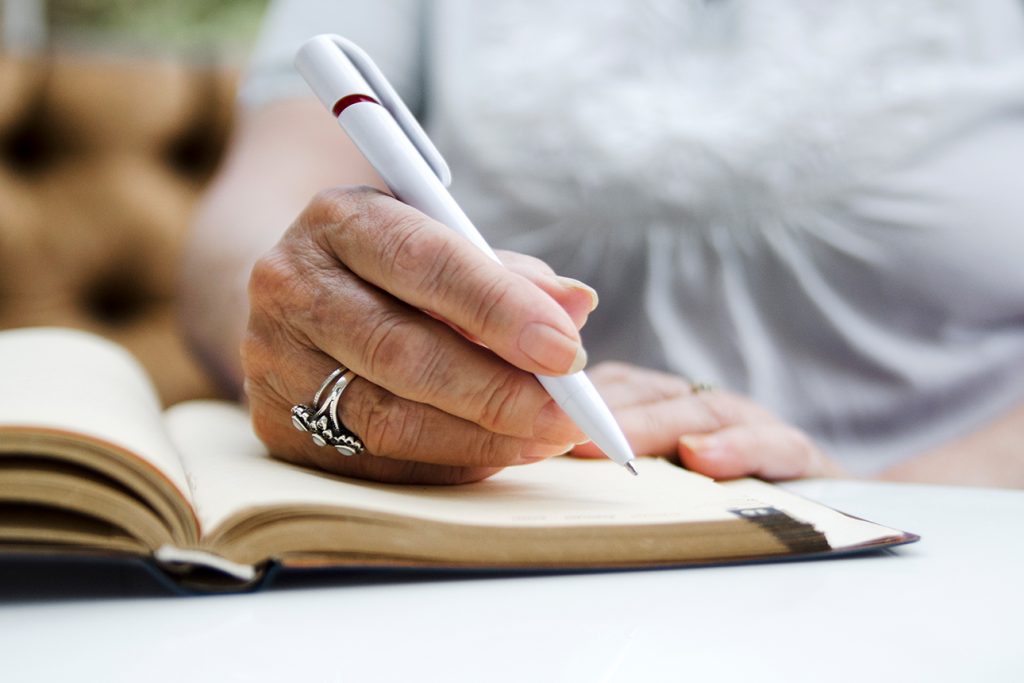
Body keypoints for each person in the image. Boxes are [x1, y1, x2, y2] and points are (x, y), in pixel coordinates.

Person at [183, 0, 1024, 487]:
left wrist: (871, 508)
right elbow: (255, 221)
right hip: (512, 524)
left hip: (949, 538)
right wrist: (317, 319)